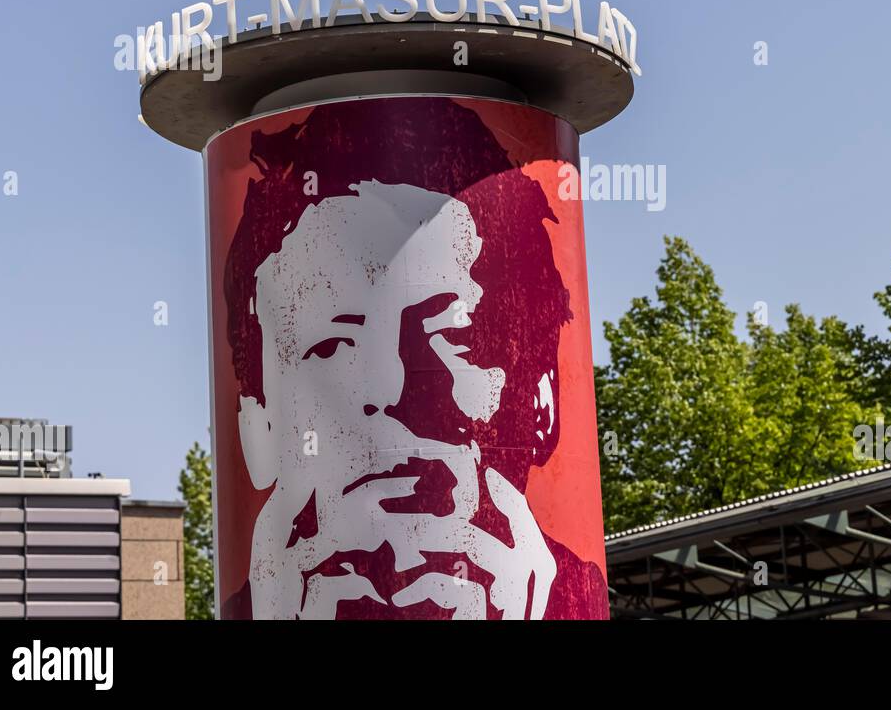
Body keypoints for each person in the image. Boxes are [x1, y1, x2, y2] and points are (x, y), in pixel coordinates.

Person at [219, 97, 607, 619]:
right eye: (329, 346)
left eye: (453, 336)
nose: (389, 387)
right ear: (255, 425)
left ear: (543, 397)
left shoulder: (580, 599)